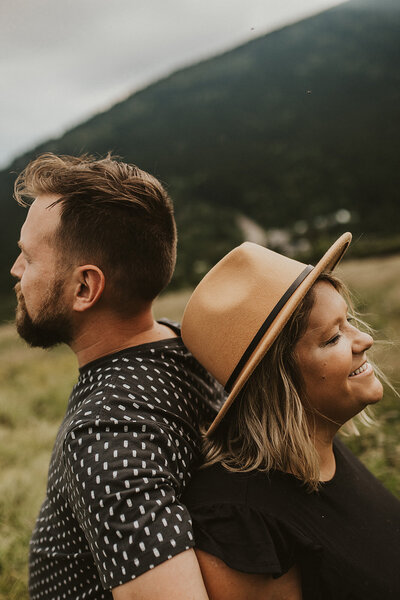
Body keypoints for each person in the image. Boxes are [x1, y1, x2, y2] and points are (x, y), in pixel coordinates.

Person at [11, 152, 224, 600]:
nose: (16, 270)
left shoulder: (104, 436)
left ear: (84, 287)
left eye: (28, 257)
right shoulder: (186, 345)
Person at [181, 233, 400, 600]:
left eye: (348, 320)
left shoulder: (319, 450)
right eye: (332, 338)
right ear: (277, 383)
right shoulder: (243, 522)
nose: (364, 339)